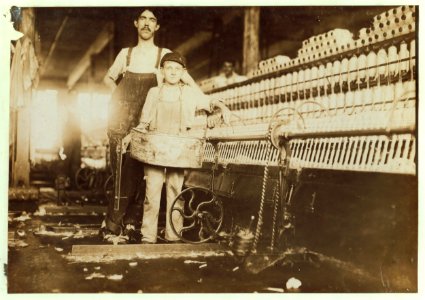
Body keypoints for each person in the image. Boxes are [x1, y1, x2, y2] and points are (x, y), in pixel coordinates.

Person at [122, 52, 231, 243]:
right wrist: (130, 136)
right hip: (154, 149)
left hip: (179, 149)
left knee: (175, 190)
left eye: (177, 69)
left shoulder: (189, 93)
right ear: (162, 71)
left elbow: (209, 102)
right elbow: (143, 122)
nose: (173, 72)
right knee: (152, 192)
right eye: (169, 68)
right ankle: (148, 236)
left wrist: (223, 107)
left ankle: (173, 234)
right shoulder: (154, 93)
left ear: (183, 72)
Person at [100, 8, 173, 243]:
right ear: (135, 23)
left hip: (148, 120)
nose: (147, 23)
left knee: (144, 173)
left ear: (157, 27)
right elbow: (109, 78)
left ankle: (130, 224)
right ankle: (113, 225)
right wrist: (120, 97)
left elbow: (174, 82)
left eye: (152, 20)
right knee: (120, 170)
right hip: (121, 120)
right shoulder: (126, 54)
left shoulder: (164, 54)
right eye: (143, 18)